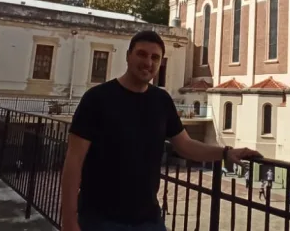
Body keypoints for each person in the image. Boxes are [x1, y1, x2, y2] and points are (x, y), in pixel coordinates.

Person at [60, 31, 261, 231]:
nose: (148, 62)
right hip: (100, 219)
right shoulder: (97, 99)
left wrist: (226, 153)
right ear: (128, 55)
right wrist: (68, 219)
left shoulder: (162, 100)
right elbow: (74, 161)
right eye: (141, 54)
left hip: (148, 219)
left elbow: (185, 145)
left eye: (155, 57)